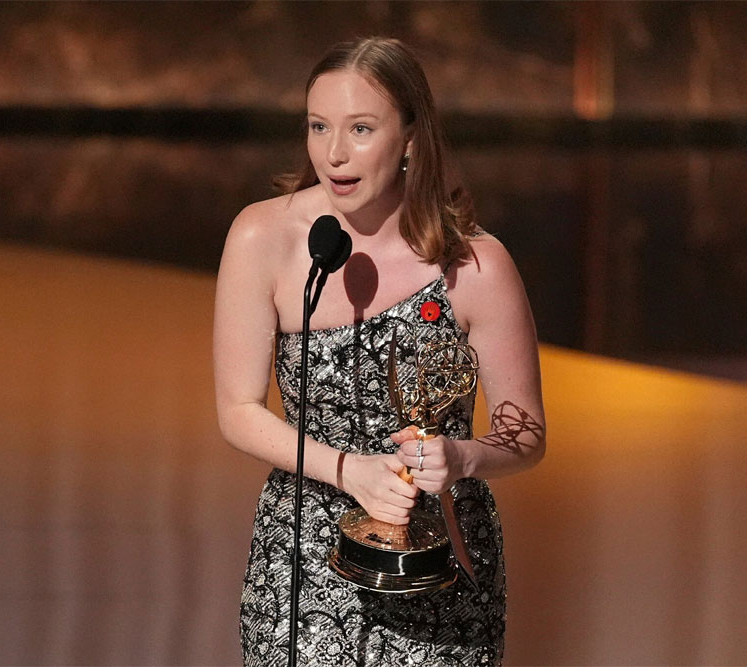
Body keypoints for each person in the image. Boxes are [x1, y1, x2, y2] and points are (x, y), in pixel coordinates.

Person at [213, 36, 545, 666]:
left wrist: (462, 456)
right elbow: (237, 410)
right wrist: (350, 471)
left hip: (440, 564)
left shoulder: (474, 266)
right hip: (304, 556)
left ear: (411, 138)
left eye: (361, 129)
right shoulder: (263, 236)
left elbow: (524, 434)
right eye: (318, 127)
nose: (334, 153)